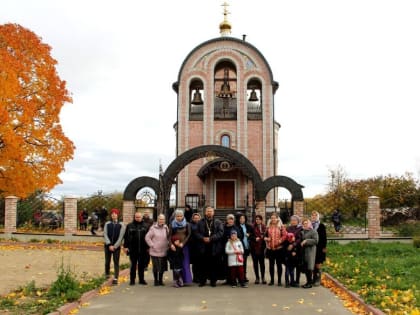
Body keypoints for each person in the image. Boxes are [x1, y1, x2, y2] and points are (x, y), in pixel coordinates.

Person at [194, 206, 224, 287]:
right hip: (203, 247)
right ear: (205, 212)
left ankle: (213, 281)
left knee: (214, 265)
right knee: (203, 265)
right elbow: (196, 233)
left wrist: (211, 238)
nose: (209, 213)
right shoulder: (200, 222)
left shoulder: (218, 222)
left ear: (213, 212)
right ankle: (202, 281)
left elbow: (221, 233)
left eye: (210, 211)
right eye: (207, 211)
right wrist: (203, 238)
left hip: (214, 247)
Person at [168, 209, 193, 285]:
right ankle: (177, 280)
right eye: (177, 216)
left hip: (184, 247)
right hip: (175, 247)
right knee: (176, 264)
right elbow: (169, 236)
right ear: (175, 216)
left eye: (181, 216)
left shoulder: (187, 224)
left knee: (185, 263)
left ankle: (186, 280)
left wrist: (183, 243)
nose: (179, 217)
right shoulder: (172, 224)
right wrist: (171, 245)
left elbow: (188, 235)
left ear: (183, 216)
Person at [264, 213, 287, 286]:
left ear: (277, 218)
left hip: (279, 249)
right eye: (272, 218)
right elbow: (264, 236)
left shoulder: (281, 226)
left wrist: (280, 241)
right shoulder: (268, 227)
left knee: (279, 265)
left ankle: (279, 281)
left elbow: (285, 235)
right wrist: (266, 239)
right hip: (271, 249)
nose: (273, 219)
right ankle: (272, 280)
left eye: (274, 218)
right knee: (271, 265)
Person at [145, 214, 169, 286]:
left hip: (163, 250)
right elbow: (147, 238)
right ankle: (156, 280)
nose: (162, 221)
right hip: (154, 251)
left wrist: (168, 244)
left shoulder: (166, 227)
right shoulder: (153, 228)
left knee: (162, 266)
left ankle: (160, 280)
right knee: (155, 266)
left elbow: (168, 237)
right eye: (160, 219)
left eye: (163, 219)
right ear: (158, 220)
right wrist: (152, 245)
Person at [103, 209, 125, 285]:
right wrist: (109, 245)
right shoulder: (107, 224)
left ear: (117, 215)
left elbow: (121, 237)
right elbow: (105, 234)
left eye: (115, 214)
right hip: (107, 246)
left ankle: (116, 277)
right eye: (112, 214)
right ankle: (107, 274)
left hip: (116, 247)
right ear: (111, 215)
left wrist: (115, 246)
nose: (113, 215)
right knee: (107, 261)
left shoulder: (121, 225)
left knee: (116, 262)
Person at [300, 218, 319, 288]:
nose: (305, 225)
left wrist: (306, 241)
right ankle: (308, 282)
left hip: (310, 251)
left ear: (309, 224)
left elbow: (316, 241)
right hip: (303, 252)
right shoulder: (302, 231)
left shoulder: (313, 231)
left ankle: (309, 283)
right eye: (304, 223)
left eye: (306, 223)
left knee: (309, 267)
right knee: (305, 267)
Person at [311, 211, 327, 286]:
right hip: (311, 248)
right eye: (312, 215)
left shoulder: (321, 226)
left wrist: (324, 247)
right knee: (312, 263)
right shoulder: (310, 225)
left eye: (315, 215)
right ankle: (313, 279)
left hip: (319, 248)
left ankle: (318, 279)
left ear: (318, 216)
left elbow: (324, 238)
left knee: (318, 263)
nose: (314, 217)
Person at [286, 215, 303, 287]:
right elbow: (286, 237)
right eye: (292, 220)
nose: (293, 222)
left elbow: (300, 239)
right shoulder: (288, 228)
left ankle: (297, 281)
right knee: (291, 266)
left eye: (295, 220)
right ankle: (291, 281)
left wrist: (294, 245)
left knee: (298, 266)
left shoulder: (300, 228)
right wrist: (288, 245)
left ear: (298, 221)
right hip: (289, 250)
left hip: (298, 250)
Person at [250, 214, 267, 284]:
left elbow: (266, 236)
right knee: (255, 263)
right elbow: (250, 236)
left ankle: (263, 277)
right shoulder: (252, 227)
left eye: (259, 219)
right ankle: (257, 278)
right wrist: (254, 239)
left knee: (262, 264)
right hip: (254, 248)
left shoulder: (264, 227)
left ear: (261, 220)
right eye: (256, 219)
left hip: (261, 248)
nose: (258, 221)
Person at [236, 213, 253, 282]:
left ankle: (244, 276)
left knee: (244, 262)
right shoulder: (236, 226)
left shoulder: (248, 226)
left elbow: (252, 233)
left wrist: (249, 234)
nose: (242, 220)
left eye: (243, 218)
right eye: (241, 218)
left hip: (246, 246)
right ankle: (239, 277)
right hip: (239, 247)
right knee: (239, 263)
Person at [189, 212, 202, 283]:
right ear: (193, 218)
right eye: (195, 218)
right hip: (193, 246)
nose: (196, 219)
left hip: (201, 245)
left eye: (198, 218)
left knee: (200, 263)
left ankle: (200, 277)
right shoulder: (190, 225)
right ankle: (195, 277)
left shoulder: (202, 224)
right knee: (195, 264)